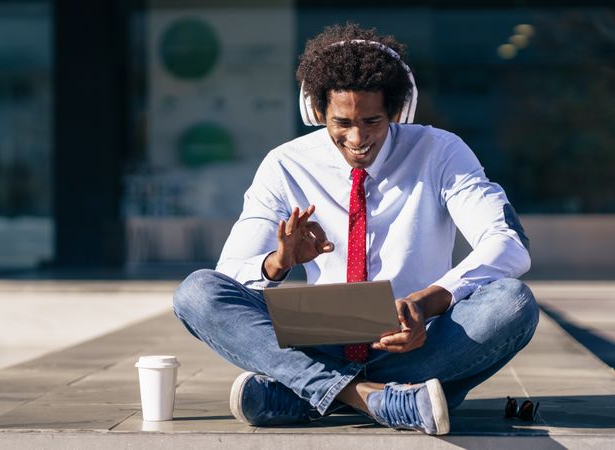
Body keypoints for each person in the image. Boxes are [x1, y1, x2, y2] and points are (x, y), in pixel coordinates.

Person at [173, 23, 538, 435]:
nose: (358, 137)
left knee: (513, 303)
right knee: (197, 292)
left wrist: (426, 301)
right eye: (341, 122)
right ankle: (375, 398)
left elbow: (508, 243)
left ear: (397, 112)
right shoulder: (285, 164)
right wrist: (278, 263)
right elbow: (230, 274)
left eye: (372, 121)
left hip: (414, 340)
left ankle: (306, 393)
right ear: (316, 112)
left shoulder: (440, 151)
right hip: (321, 336)